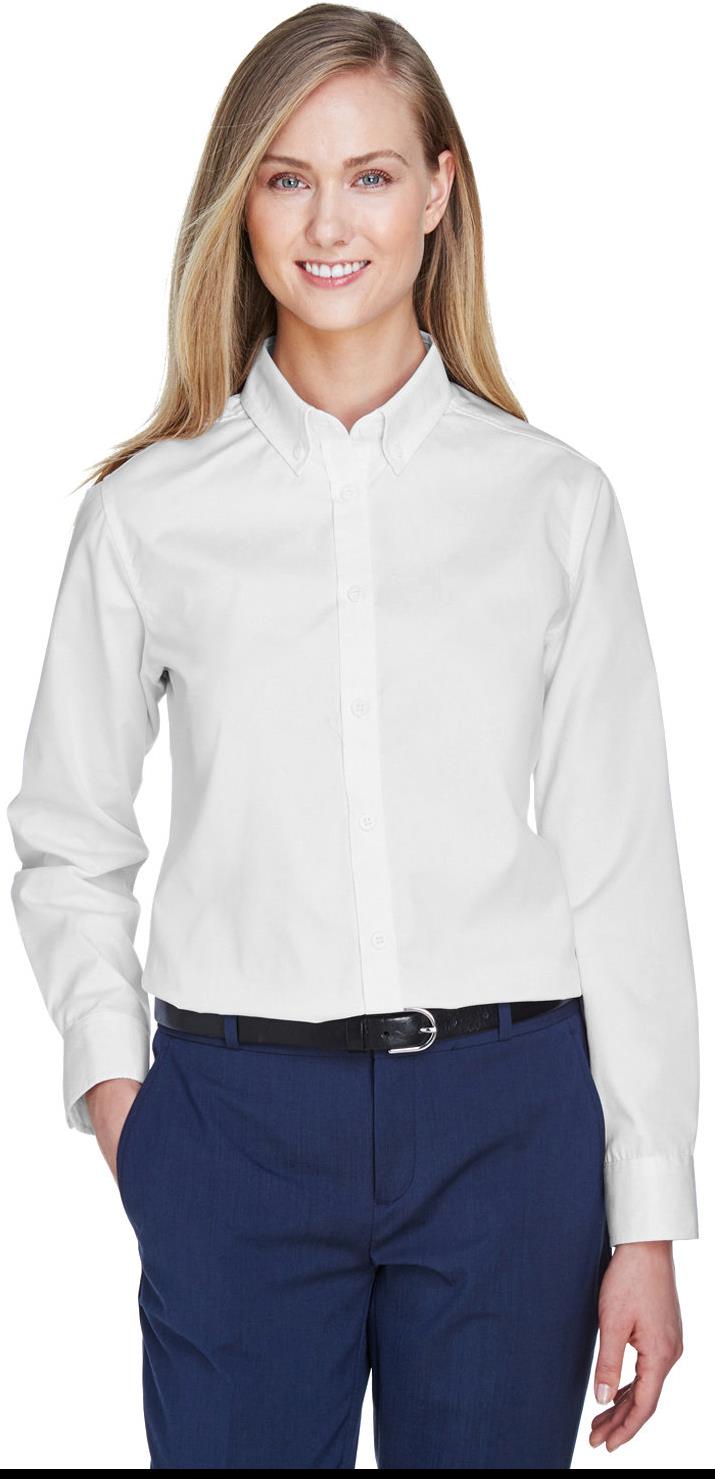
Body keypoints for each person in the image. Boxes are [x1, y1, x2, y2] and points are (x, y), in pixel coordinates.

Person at [6, 3, 700, 1469]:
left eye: (372, 176)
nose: (331, 224)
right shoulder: (148, 514)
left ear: (439, 192)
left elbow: (622, 863)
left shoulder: (552, 503)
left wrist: (647, 1213)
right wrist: (128, 1109)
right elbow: (67, 838)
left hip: (509, 1128)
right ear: (240, 202)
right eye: (288, 178)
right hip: (233, 1127)